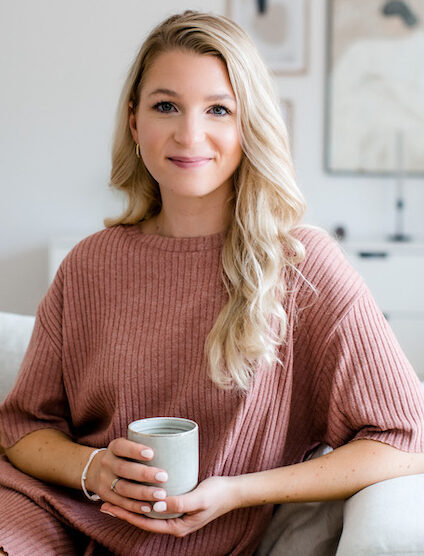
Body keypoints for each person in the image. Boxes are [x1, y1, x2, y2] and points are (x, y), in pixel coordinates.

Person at [0, 9, 423, 556]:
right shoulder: (89, 264)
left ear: (248, 126)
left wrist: (240, 492)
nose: (189, 133)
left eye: (218, 109)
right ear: (135, 122)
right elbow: (22, 430)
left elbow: (405, 440)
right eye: (166, 106)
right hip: (46, 513)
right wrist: (93, 469)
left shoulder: (303, 267)